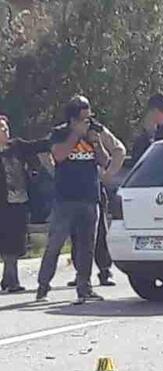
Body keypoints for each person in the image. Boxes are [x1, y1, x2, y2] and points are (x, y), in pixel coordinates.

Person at [36, 96, 116, 303]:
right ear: (73, 119)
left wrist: (96, 142)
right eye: (83, 118)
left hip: (90, 197)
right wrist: (75, 136)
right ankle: (43, 285)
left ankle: (84, 287)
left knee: (87, 245)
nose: (87, 122)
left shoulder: (94, 132)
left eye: (89, 117)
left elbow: (105, 161)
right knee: (55, 243)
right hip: (65, 199)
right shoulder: (60, 133)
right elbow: (59, 155)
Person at [0, 115, 50, 293]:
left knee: (18, 240)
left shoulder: (17, 146)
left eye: (6, 128)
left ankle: (9, 279)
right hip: (3, 205)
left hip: (21, 201)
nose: (5, 131)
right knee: (7, 241)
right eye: (1, 129)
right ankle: (11, 280)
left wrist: (56, 138)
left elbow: (36, 145)